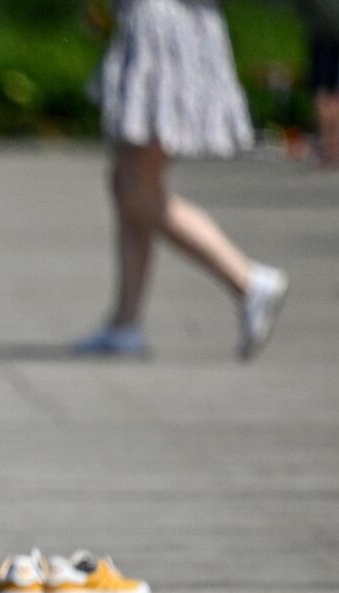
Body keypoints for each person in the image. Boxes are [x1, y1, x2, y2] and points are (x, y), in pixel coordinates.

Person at [75, 0, 289, 359]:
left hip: (163, 30)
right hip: (158, 25)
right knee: (127, 181)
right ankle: (125, 323)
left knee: (138, 190)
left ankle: (248, 280)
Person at [299, 0, 339, 168]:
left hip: (321, 35)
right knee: (333, 94)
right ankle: (334, 146)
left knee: (322, 94)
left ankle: (329, 147)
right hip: (327, 34)